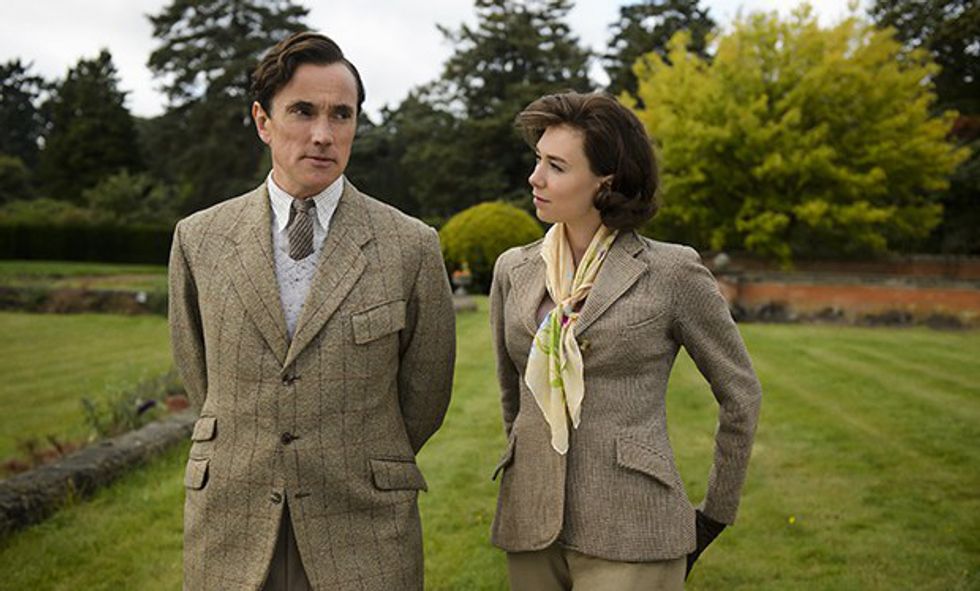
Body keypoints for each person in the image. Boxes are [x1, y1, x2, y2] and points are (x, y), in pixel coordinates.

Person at [168, 32, 455, 591]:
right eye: (303, 111)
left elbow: (426, 393)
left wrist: (355, 452)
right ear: (263, 121)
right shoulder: (199, 239)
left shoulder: (411, 245)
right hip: (232, 524)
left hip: (363, 527)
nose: (324, 134)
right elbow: (201, 378)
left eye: (340, 115)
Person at [488, 91, 762, 591]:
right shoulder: (513, 269)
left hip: (634, 527)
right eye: (538, 159)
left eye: (556, 166)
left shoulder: (672, 272)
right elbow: (514, 394)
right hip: (530, 526)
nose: (535, 178)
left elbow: (740, 393)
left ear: (606, 182)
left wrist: (715, 514)